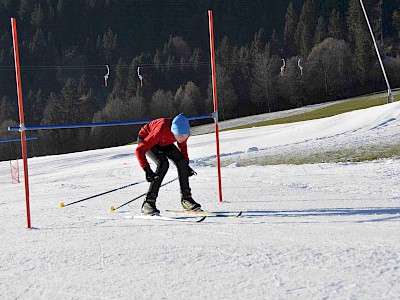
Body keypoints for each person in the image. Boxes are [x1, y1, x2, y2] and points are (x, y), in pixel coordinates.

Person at [135, 113, 201, 215]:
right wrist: (147, 170)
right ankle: (148, 203)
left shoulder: (182, 132)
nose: (183, 138)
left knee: (181, 161)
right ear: (174, 131)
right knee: (163, 163)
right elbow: (140, 150)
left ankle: (186, 199)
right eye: (180, 135)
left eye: (186, 135)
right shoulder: (161, 130)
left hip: (164, 141)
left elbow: (182, 148)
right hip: (147, 138)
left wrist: (186, 166)